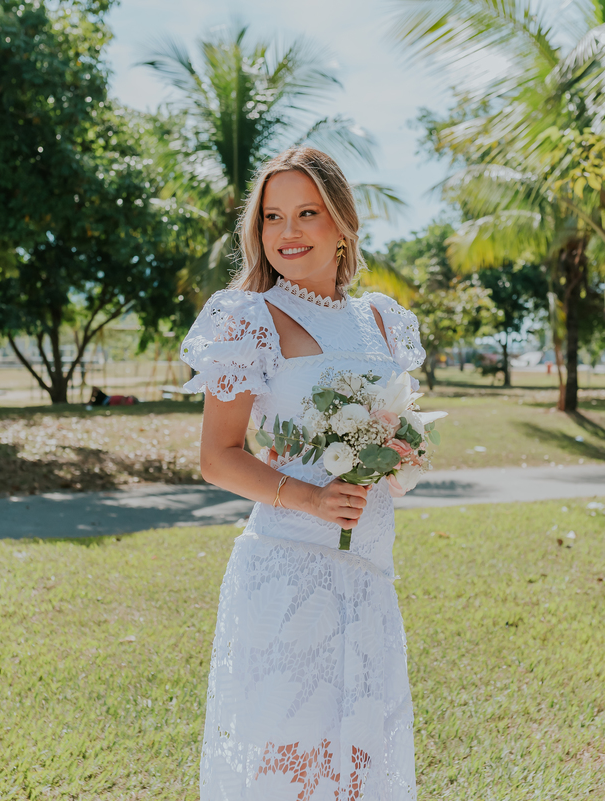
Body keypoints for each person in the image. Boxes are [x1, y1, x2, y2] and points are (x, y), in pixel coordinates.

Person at [180, 146, 425, 799]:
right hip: (289, 571)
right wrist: (311, 499)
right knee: (292, 765)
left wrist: (399, 452)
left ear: (342, 222)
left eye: (307, 213)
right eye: (272, 216)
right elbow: (218, 456)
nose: (287, 232)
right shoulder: (247, 319)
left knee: (359, 762)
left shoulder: (381, 321)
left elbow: (393, 426)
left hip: (368, 572)